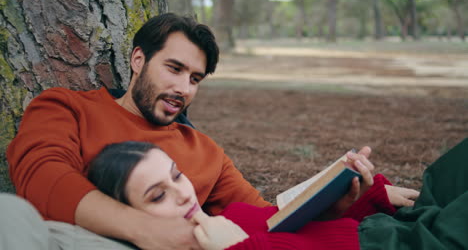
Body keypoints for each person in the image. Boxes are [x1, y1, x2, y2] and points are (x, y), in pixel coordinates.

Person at [2, 13, 408, 249]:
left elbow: (266, 218)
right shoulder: (68, 107)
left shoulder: (204, 150)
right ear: (138, 59)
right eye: (174, 69)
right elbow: (41, 177)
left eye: (195, 78)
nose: (184, 89)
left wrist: (340, 202)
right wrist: (151, 232)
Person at [87, 141, 422, 250]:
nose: (182, 194)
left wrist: (362, 197)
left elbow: (304, 230)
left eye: (177, 176)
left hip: (386, 227)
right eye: (157, 196)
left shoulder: (234, 214)